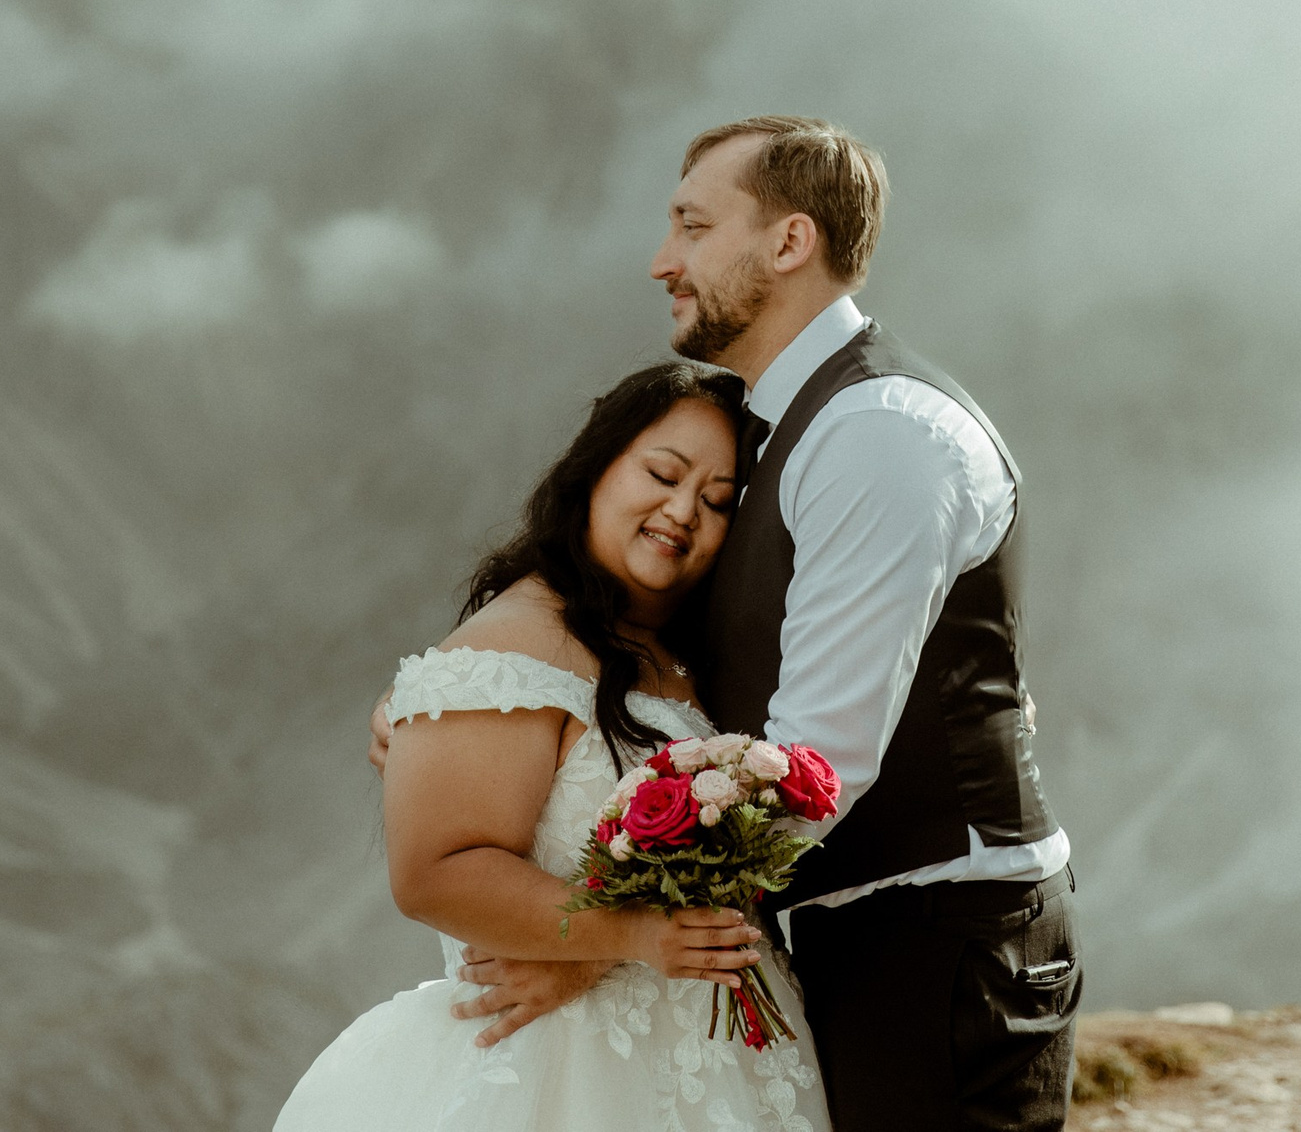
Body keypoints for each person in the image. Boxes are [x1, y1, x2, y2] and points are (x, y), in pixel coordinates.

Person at [426, 116, 1080, 1132]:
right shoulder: (775, 428)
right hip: (861, 934)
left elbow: (817, 764)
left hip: (938, 942)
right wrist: (452, 698)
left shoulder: (877, 433)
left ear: (789, 242)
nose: (662, 261)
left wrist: (605, 947)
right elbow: (681, 635)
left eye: (692, 226)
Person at [274, 361, 827, 1132]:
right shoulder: (513, 646)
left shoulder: (687, 651)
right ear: (595, 468)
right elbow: (433, 872)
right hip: (571, 1077)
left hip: (731, 1068)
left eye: (715, 501)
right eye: (663, 474)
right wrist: (629, 938)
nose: (682, 511)